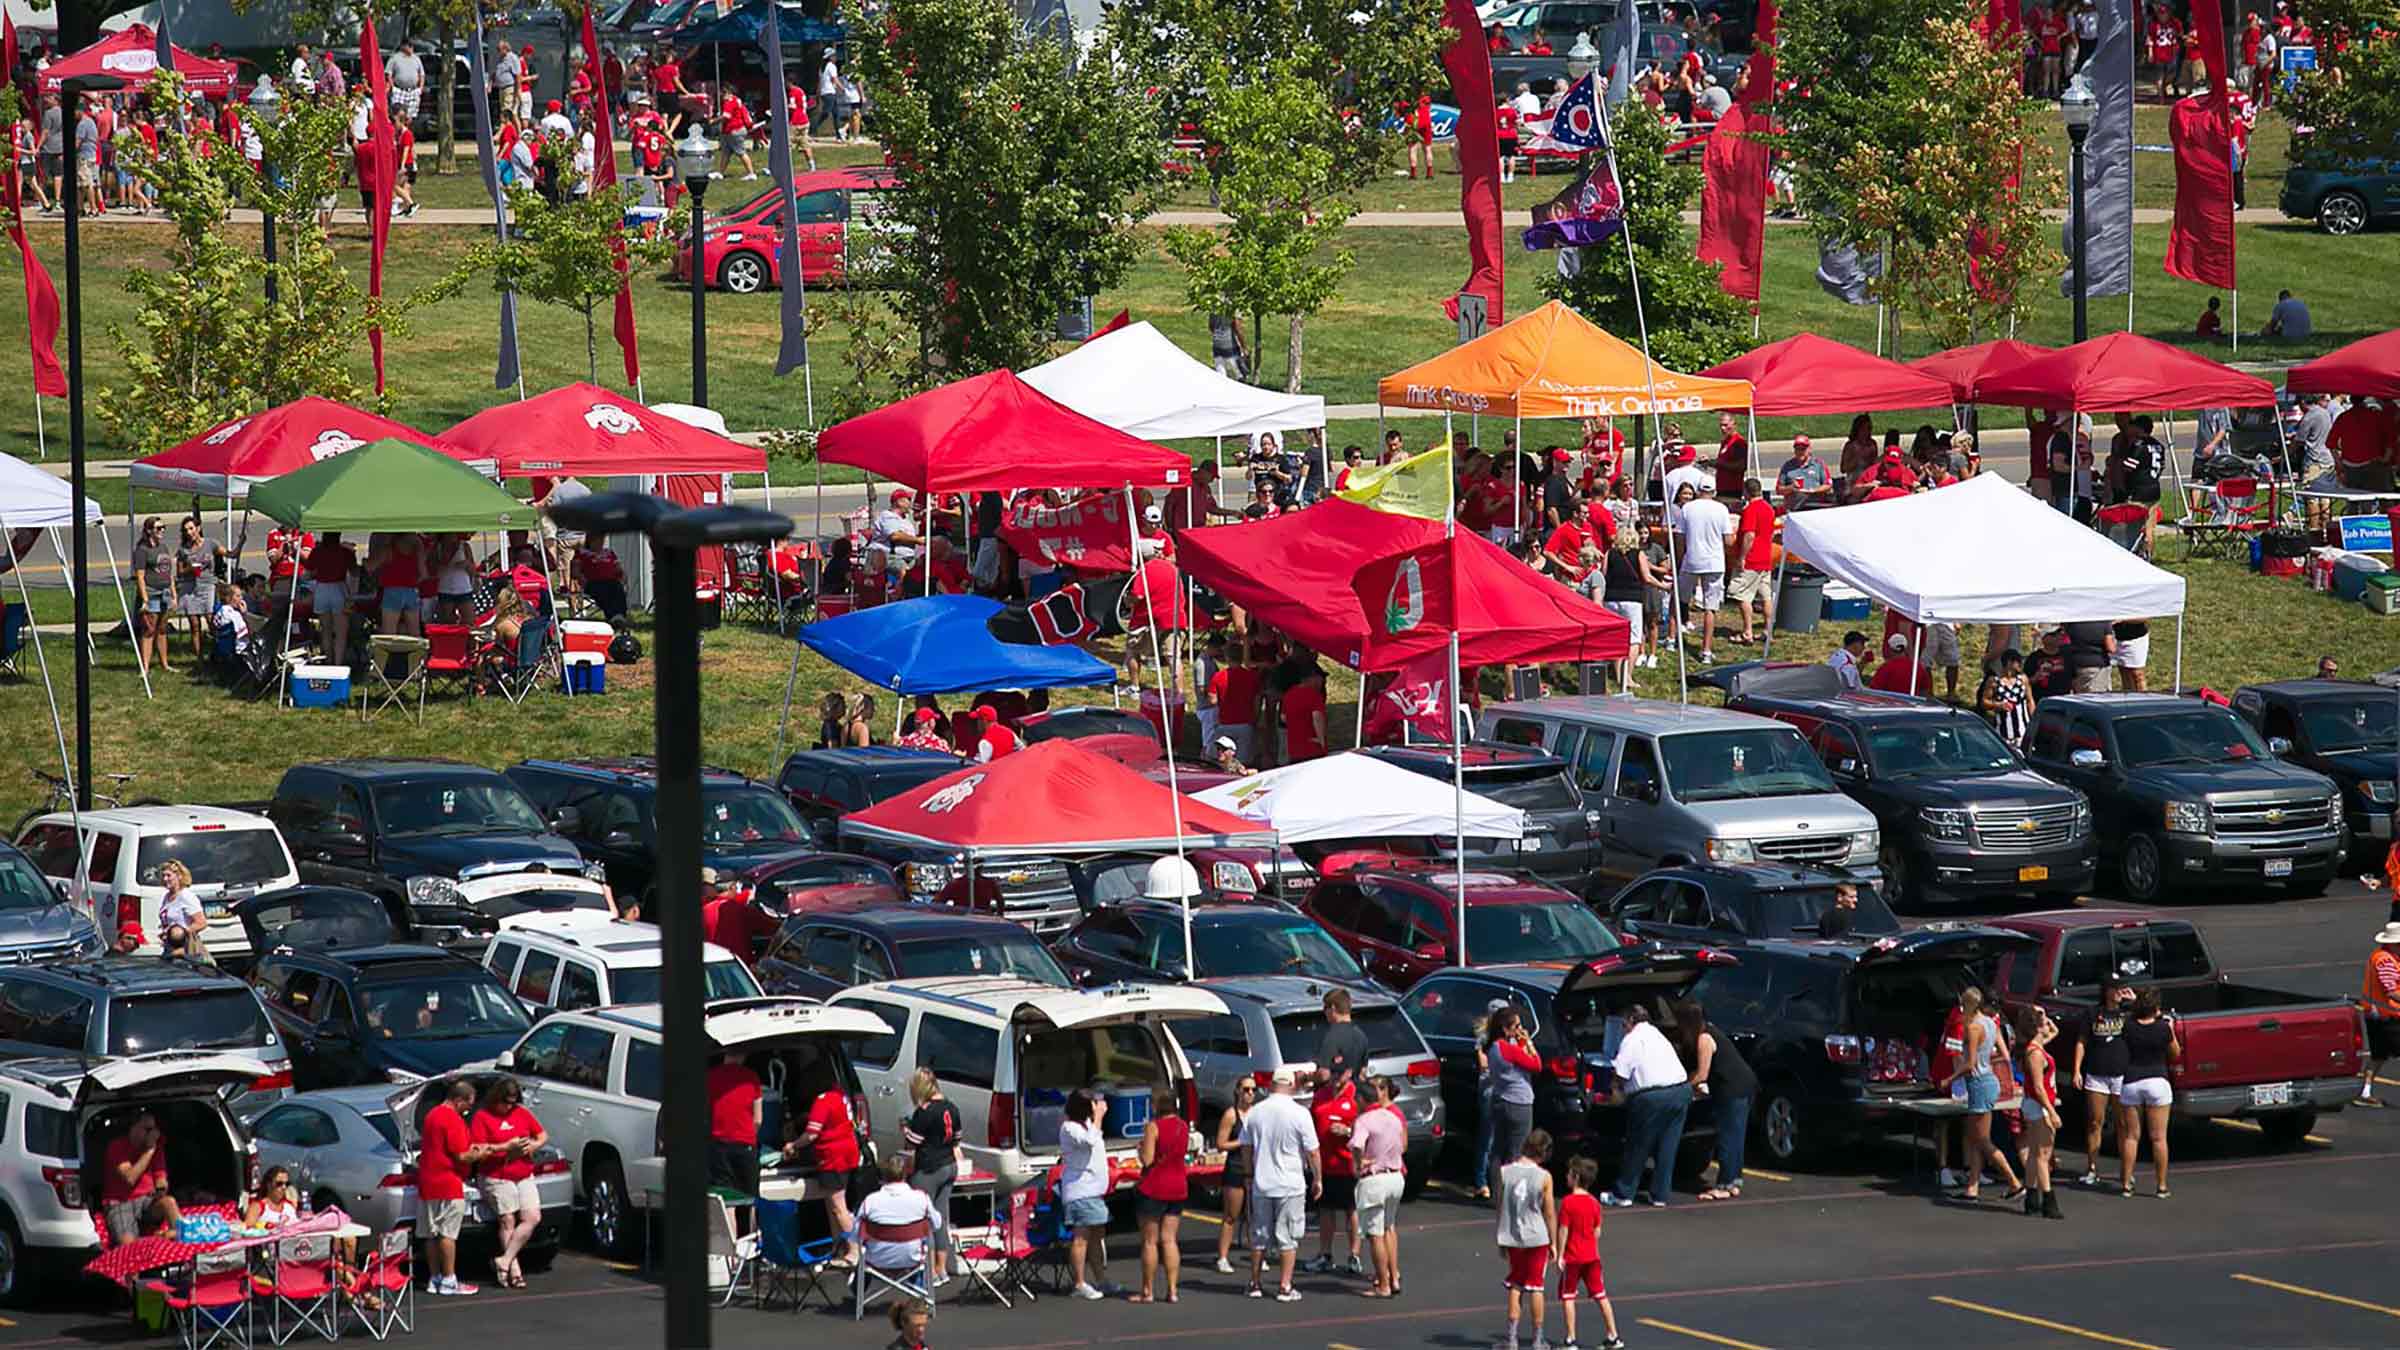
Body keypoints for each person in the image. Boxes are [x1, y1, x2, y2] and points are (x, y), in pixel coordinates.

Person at [1239, 1066, 1321, 1303]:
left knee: (1260, 1235)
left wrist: (1248, 1174)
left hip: (1262, 1182)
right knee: (1288, 1237)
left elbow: (1246, 1147)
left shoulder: (1255, 1112)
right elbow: (1313, 1151)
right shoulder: (1300, 1113)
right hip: (1290, 1184)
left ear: (1272, 1084)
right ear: (1291, 1085)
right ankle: (1285, 1285)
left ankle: (1255, 1283)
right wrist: (1318, 1178)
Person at [1602, 1003, 1690, 1207]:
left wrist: (1612, 1089)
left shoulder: (1632, 1040)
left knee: (1638, 1145)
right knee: (1668, 1145)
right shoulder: (1657, 1034)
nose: (1623, 1028)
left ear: (1630, 1021)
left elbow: (1621, 1073)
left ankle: (1623, 1194)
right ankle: (1660, 1195)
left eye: (1623, 1024)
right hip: (1680, 1091)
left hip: (1652, 1097)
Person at [1943, 988, 2023, 1204]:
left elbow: (1969, 1064)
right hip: (1988, 1079)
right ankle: (1972, 1188)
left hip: (1979, 1082)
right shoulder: (1991, 1022)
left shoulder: (1973, 1027)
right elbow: (2004, 1053)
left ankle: (2014, 1182)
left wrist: (1949, 1079)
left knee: (1982, 1139)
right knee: (1976, 1137)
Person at [472, 1076, 546, 1287]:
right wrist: (506, 1146)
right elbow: (479, 1149)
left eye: (512, 1102)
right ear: (495, 1099)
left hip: (523, 1173)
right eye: (505, 1102)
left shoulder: (521, 1113)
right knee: (507, 1220)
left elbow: (542, 1135)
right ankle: (514, 1271)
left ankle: (504, 1260)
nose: (508, 1107)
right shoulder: (482, 1117)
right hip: (496, 1174)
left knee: (532, 1216)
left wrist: (532, 1145)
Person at [422, 1078, 493, 1295]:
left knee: (431, 1234)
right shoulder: (451, 1119)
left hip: (427, 1181)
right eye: (468, 1104)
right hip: (448, 1182)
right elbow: (462, 1155)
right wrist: (481, 1153)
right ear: (459, 1100)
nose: (469, 1109)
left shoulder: (431, 1115)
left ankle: (434, 1279)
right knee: (447, 1234)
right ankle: (450, 1280)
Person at [786, 1063, 862, 1264]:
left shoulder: (823, 1101)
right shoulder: (840, 1096)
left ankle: (855, 1250)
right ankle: (840, 1249)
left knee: (838, 1207)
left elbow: (811, 1134)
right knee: (834, 1205)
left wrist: (793, 1145)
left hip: (832, 1157)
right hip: (847, 1154)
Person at [1680, 998, 1755, 1201]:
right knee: (1737, 1134)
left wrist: (1681, 1086)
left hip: (1732, 1089)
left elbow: (1702, 1074)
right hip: (1744, 1085)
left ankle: (1724, 1184)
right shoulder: (1712, 1029)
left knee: (1728, 1136)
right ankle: (1734, 1181)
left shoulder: (1704, 1039)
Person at [1495, 1128, 1557, 1350]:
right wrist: (1554, 1242)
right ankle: (1537, 1338)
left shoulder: (1505, 1172)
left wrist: (1500, 1237)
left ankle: (1511, 1338)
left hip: (1512, 1237)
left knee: (1516, 1284)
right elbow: (1549, 1212)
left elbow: (1501, 1207)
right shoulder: (1544, 1177)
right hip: (1536, 1237)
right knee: (1536, 1287)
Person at [899, 1068, 962, 1285]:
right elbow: (957, 1138)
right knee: (941, 1219)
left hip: (929, 1168)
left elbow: (913, 1142)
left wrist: (905, 1129)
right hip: (949, 1166)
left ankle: (929, 1271)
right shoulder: (952, 1107)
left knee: (924, 1219)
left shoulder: (924, 1111)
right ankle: (941, 1269)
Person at [2117, 988, 2181, 1197]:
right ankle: (2161, 1185)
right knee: (2159, 1138)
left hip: (2132, 1080)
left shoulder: (2129, 1027)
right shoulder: (2163, 1028)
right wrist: (2167, 1024)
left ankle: (2126, 1183)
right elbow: (2175, 1053)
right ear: (2156, 1008)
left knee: (2131, 1136)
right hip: (2157, 1080)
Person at [1553, 1157, 1623, 1350]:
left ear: (1575, 1177)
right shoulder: (1594, 1203)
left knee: (1568, 1296)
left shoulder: (1568, 1202)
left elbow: (1563, 1230)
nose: (1566, 1177)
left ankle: (1570, 1339)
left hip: (1573, 1258)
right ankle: (1613, 1335)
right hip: (1592, 1257)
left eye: (1568, 1174)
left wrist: (1560, 1255)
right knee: (1600, 1294)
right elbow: (1597, 1231)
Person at [1350, 1075, 1407, 1299]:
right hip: (1395, 1177)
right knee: (1388, 1228)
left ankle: (1383, 1284)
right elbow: (1402, 1146)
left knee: (1375, 1234)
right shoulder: (1393, 1117)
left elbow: (1356, 1144)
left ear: (1363, 1100)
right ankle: (1393, 1277)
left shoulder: (1363, 1120)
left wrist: (1359, 1161)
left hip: (1375, 1180)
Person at [1131, 1085, 1188, 1303]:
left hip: (1155, 1186)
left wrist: (1139, 1149)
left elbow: (1147, 1160)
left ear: (1157, 1105)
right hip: (1177, 1185)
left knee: (1149, 1241)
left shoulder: (1153, 1127)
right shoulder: (1182, 1126)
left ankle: (1148, 1290)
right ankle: (1173, 1290)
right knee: (1170, 1240)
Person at [2013, 1006, 2067, 1220]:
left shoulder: (2037, 1046)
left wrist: (2043, 1015)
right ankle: (2048, 1200)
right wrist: (2051, 1111)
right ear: (2035, 1027)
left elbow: (2056, 1031)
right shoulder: (2034, 1053)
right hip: (2039, 1106)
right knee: (2043, 1155)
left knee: (2036, 1154)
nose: (2047, 1024)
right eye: (2042, 1021)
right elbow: (2038, 1087)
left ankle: (2032, 1198)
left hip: (2035, 1105)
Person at [1059, 1089, 1113, 1299]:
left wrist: (1096, 1119)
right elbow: (1089, 1141)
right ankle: (1080, 1282)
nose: (1097, 1105)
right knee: (1081, 1238)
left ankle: (1101, 1280)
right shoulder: (1069, 1128)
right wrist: (1099, 1117)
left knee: (1097, 1237)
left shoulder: (1088, 1125)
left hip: (1094, 1191)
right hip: (1080, 1192)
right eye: (1093, 1103)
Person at [1306, 1071, 1361, 1276]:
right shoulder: (1321, 1095)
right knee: (1326, 1209)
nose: (1338, 1076)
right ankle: (1325, 1255)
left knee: (1351, 1210)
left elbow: (1367, 1127)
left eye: (1342, 1072)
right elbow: (1311, 1122)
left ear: (1350, 1072)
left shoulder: (1356, 1096)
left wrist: (1347, 1131)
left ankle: (1354, 1255)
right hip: (1324, 1163)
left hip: (1348, 1164)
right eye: (1335, 1072)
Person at [1483, 1004, 1541, 1198]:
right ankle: (1513, 1194)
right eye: (1515, 1026)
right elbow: (1535, 1064)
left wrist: (1520, 1042)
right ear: (1505, 1029)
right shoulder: (1509, 1049)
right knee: (1517, 1151)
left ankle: (1497, 1192)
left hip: (1500, 1099)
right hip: (1519, 1103)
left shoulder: (1493, 1047)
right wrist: (1528, 1043)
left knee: (1498, 1150)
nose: (1519, 1030)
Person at [1676, 481, 1734, 665]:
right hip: (1714, 562)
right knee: (1711, 608)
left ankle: (1671, 638)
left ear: (1698, 490)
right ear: (1714, 491)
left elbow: (1680, 537)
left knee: (1679, 600)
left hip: (1692, 559)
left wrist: (1679, 558)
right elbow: (1728, 540)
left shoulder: (1688, 508)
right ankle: (1706, 650)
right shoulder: (1721, 509)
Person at [856, 1154, 940, 1281]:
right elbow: (937, 1224)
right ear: (905, 1174)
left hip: (877, 1259)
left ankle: (859, 1294)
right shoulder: (921, 1198)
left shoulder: (870, 1201)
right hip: (912, 1258)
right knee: (926, 1232)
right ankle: (920, 1293)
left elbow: (856, 1233)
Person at [102, 1111, 178, 1242]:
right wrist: (149, 1151)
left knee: (169, 1202)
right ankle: (152, 1241)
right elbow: (130, 1178)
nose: (153, 1134)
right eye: (148, 1129)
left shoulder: (157, 1146)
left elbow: (160, 1177)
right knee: (127, 1244)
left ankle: (180, 1233)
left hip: (146, 1201)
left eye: (154, 1129)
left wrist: (161, 1188)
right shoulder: (117, 1146)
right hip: (120, 1203)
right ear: (134, 1128)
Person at [705, 1049, 764, 1203]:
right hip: (745, 1146)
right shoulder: (752, 1078)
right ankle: (750, 1227)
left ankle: (731, 1228)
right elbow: (758, 1119)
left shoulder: (709, 1077)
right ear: (743, 1055)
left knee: (726, 1200)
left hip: (718, 1146)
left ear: (724, 1054)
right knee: (750, 1199)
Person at [1213, 1077, 1257, 1273]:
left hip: (1255, 1168)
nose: (1250, 1094)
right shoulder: (1231, 1115)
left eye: (1253, 1090)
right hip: (1236, 1168)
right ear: (1238, 1091)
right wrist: (1241, 1141)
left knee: (1254, 1215)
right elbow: (1221, 1144)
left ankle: (1256, 1254)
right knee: (1231, 1215)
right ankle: (1222, 1256)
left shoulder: (1257, 1114)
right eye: (1246, 1089)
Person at [1726, 478, 1777, 644]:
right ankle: (1767, 631)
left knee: (1741, 595)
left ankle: (1747, 632)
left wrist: (1741, 557)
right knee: (1766, 596)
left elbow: (1749, 535)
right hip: (1765, 558)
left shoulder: (1751, 510)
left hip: (1751, 559)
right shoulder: (1769, 509)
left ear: (1746, 491)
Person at [2362, 923, 2400, 1105]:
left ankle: (2365, 1092)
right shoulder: (2385, 961)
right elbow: (2392, 991)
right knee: (2380, 1054)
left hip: (2378, 1015)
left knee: (2379, 1055)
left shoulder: (2387, 957)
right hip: (2387, 1017)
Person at [172, 517, 220, 660]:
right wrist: (190, 568)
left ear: (198, 528)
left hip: (207, 585)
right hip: (190, 587)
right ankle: (199, 658)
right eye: (186, 530)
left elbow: (230, 554)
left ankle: (218, 653)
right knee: (194, 623)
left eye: (191, 528)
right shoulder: (183, 550)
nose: (189, 532)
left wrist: (240, 542)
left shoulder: (210, 543)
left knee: (211, 620)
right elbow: (179, 572)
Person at [156, 860, 211, 963]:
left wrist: (179, 934)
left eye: (168, 875)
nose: (165, 879)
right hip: (169, 947)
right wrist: (165, 933)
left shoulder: (186, 896)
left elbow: (201, 923)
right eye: (163, 876)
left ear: (179, 876)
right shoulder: (166, 897)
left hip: (186, 948)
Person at [1979, 648, 2034, 749]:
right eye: (2018, 662)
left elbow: (2030, 701)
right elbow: (1984, 702)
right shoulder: (1994, 681)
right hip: (2003, 733)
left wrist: (2033, 722)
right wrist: (1998, 705)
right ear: (2009, 663)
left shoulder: (2023, 680)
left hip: (2022, 732)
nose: (2020, 665)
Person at [1281, 663, 1328, 763]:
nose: (1322, 682)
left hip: (1293, 749)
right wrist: (1322, 742)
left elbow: (1283, 717)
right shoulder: (1314, 695)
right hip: (1312, 749)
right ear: (1312, 678)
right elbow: (1317, 718)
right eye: (1320, 678)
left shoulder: (1288, 694)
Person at [1776, 433, 1831, 509]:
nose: (1800, 452)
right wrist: (1791, 488)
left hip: (1816, 505)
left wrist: (1814, 490)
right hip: (1794, 507)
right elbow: (1779, 489)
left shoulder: (1818, 464)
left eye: (1803, 449)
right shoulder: (1787, 466)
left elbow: (1828, 485)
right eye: (1797, 449)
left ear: (1809, 449)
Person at [1868, 632, 1932, 695]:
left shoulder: (1886, 668)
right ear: (1905, 648)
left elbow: (1873, 691)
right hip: (1911, 704)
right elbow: (1925, 690)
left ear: (1889, 648)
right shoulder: (1918, 667)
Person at [1209, 311, 1246, 380]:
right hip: (1231, 347)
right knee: (1239, 376)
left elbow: (1211, 326)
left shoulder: (1214, 305)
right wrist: (1244, 347)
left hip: (1216, 345)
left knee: (1220, 376)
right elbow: (1237, 328)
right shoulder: (1234, 307)